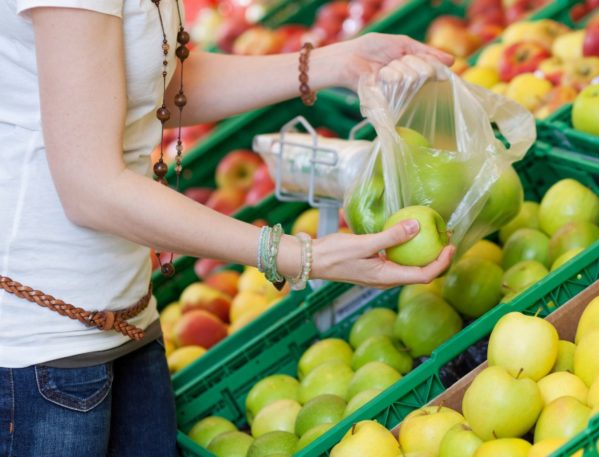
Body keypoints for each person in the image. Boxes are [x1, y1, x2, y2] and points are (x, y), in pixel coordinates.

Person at [0, 0, 454, 454]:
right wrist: (298, 255)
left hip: (127, 312)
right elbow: (90, 189)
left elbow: (162, 82)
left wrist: (335, 63)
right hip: (44, 345)